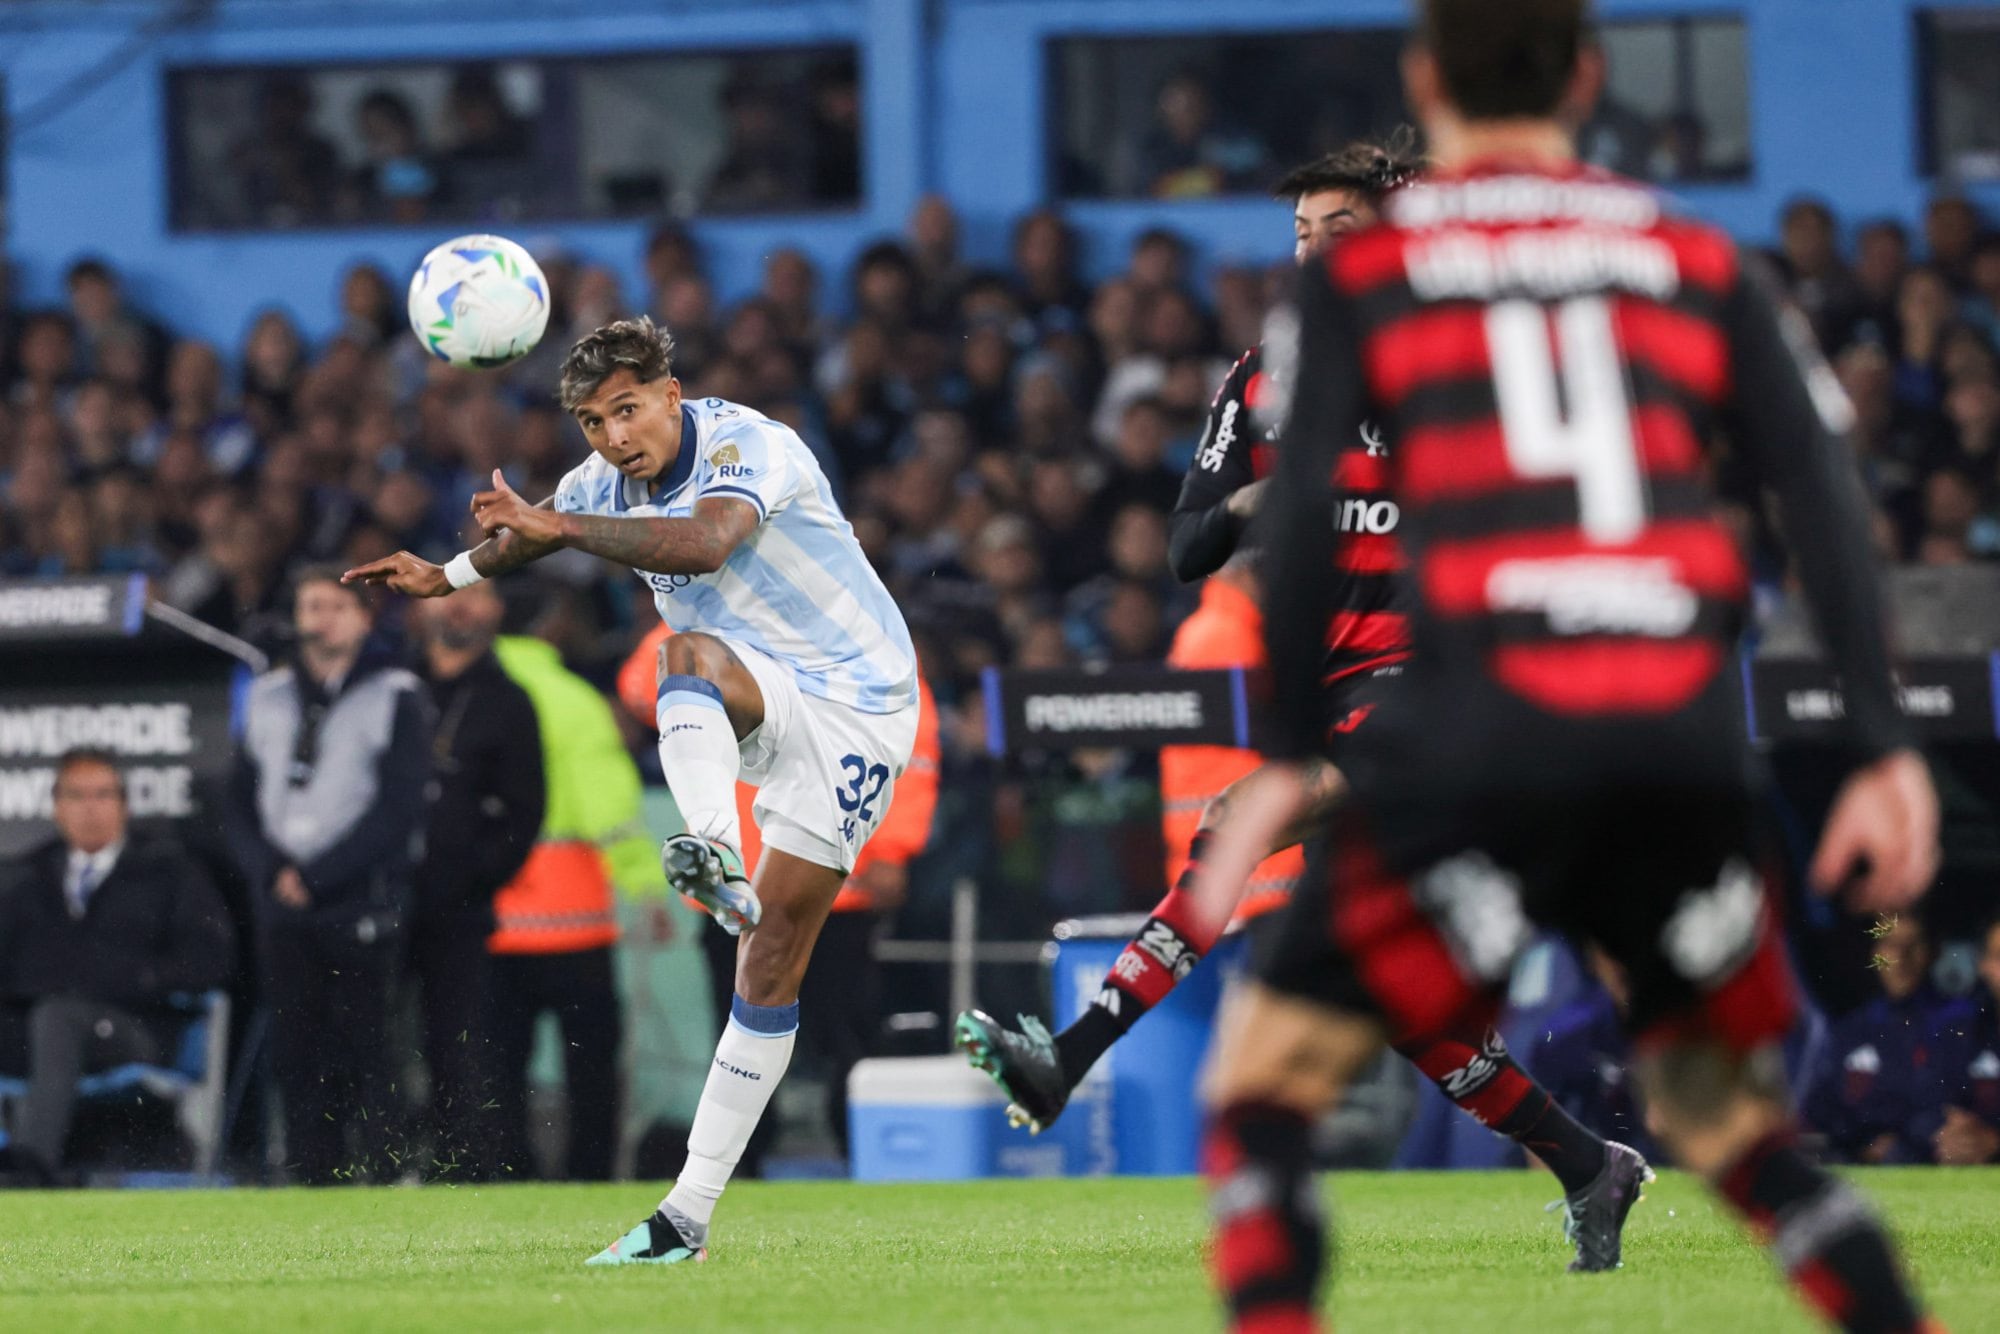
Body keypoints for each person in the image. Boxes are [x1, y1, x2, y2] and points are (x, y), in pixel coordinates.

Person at [1201, 4, 1942, 1332]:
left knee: (1263, 1083)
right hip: (1674, 722)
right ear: (1590, 76)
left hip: (1479, 711)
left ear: (1425, 79)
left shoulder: (1369, 280)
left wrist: (1284, 755)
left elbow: (1301, 518)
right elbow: (1822, 494)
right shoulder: (1692, 255)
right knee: (1728, 1116)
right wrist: (1884, 742)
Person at [957, 137, 1641, 1273]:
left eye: (1342, 229)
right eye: (1301, 234)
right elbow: (1183, 546)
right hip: (1332, 696)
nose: (1315, 253)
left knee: (1238, 818)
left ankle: (1066, 1056)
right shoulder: (1261, 375)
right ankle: (1587, 1164)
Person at [344, 315, 919, 1266]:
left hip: (857, 705)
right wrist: (443, 576)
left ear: (670, 395)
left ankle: (687, 1209)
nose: (614, 437)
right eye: (591, 422)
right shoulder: (597, 481)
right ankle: (712, 853)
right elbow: (526, 540)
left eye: (627, 410)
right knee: (681, 653)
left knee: (772, 962)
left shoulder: (752, 445)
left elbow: (703, 544)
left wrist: (557, 523)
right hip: (755, 685)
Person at [227, 566, 431, 1185]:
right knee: (296, 1046)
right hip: (282, 903)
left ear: (365, 619)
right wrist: (273, 872)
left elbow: (399, 808)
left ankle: (387, 1169)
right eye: (311, 605)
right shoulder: (265, 695)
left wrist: (318, 876)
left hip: (359, 898)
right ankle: (313, 1174)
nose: (321, 618)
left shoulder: (396, 692)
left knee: (369, 1042)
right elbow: (236, 801)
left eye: (336, 606)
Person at [0, 749, 234, 1182]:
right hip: (34, 1029)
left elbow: (211, 959)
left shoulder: (169, 873)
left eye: (103, 795)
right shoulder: (24, 877)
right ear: (56, 807)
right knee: (48, 1016)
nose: (90, 808)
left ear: (124, 805)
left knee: (59, 1016)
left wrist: (137, 977)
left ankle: (31, 1168)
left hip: (133, 1028)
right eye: (77, 796)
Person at [485, 594, 656, 1182]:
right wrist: (645, 886)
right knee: (590, 1073)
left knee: (494, 1069)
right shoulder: (573, 700)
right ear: (550, 626)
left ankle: (506, 1177)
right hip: (576, 921)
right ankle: (589, 1178)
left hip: (486, 921)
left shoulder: (463, 693)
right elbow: (607, 808)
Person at [409, 577, 545, 1180]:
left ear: (496, 610)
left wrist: (472, 877)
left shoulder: (509, 701)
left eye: (476, 591)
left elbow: (525, 814)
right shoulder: (390, 686)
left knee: (459, 1047)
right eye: (446, 589)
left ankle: (459, 1169)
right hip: (371, 898)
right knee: (369, 1042)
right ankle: (358, 1163)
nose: (459, 603)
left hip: (459, 910)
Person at [1802, 912, 1972, 1164]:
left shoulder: (1963, 1023)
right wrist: (1862, 1142)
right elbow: (1821, 1103)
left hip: (1929, 1158)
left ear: (1934, 951)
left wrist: (1907, 1143)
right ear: (1875, 953)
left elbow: (1962, 1102)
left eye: (1913, 945)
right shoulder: (1850, 1029)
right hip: (1851, 1155)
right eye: (1891, 944)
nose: (1901, 957)